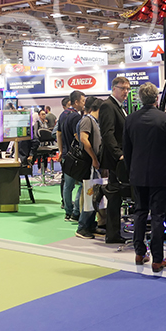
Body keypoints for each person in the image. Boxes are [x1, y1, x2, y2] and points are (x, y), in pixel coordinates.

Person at [123, 82, 166, 272]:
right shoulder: (165, 118)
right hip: (160, 174)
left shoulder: (130, 119)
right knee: (157, 216)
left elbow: (126, 150)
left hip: (137, 174)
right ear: (156, 98)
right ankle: (157, 259)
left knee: (139, 212)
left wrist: (131, 171)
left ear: (140, 98)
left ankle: (139, 253)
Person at [98, 76, 130, 244]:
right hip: (115, 160)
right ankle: (112, 233)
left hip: (120, 159)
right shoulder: (108, 106)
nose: (126, 92)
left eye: (127, 89)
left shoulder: (119, 106)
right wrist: (119, 154)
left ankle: (114, 232)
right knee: (114, 197)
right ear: (114, 88)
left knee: (116, 196)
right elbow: (107, 133)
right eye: (123, 88)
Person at [75, 97, 103, 240]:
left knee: (94, 195)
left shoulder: (94, 121)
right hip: (89, 164)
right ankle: (83, 227)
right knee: (90, 195)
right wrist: (94, 158)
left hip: (94, 164)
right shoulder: (87, 120)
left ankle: (90, 224)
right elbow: (84, 140)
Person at [58, 90, 86, 222]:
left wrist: (61, 150)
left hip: (66, 154)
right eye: (83, 101)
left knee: (67, 186)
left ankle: (68, 212)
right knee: (83, 183)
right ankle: (75, 212)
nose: (84, 104)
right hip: (76, 157)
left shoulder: (63, 114)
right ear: (76, 102)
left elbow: (58, 134)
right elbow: (78, 136)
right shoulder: (76, 117)